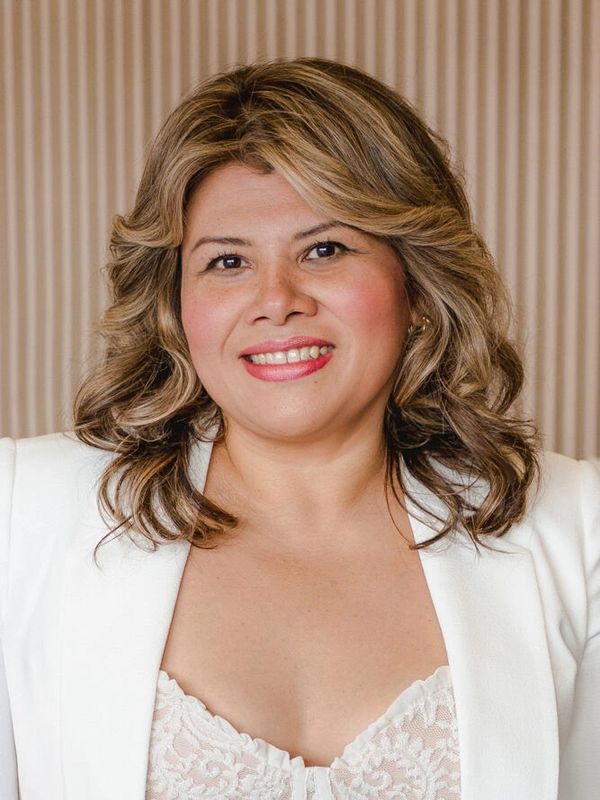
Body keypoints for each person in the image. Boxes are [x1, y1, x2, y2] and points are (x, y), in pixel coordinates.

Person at [0, 57, 598, 800]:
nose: (276, 300)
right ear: (177, 308)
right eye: (226, 261)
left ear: (416, 284)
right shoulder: (21, 514)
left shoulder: (579, 528)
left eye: (325, 249)